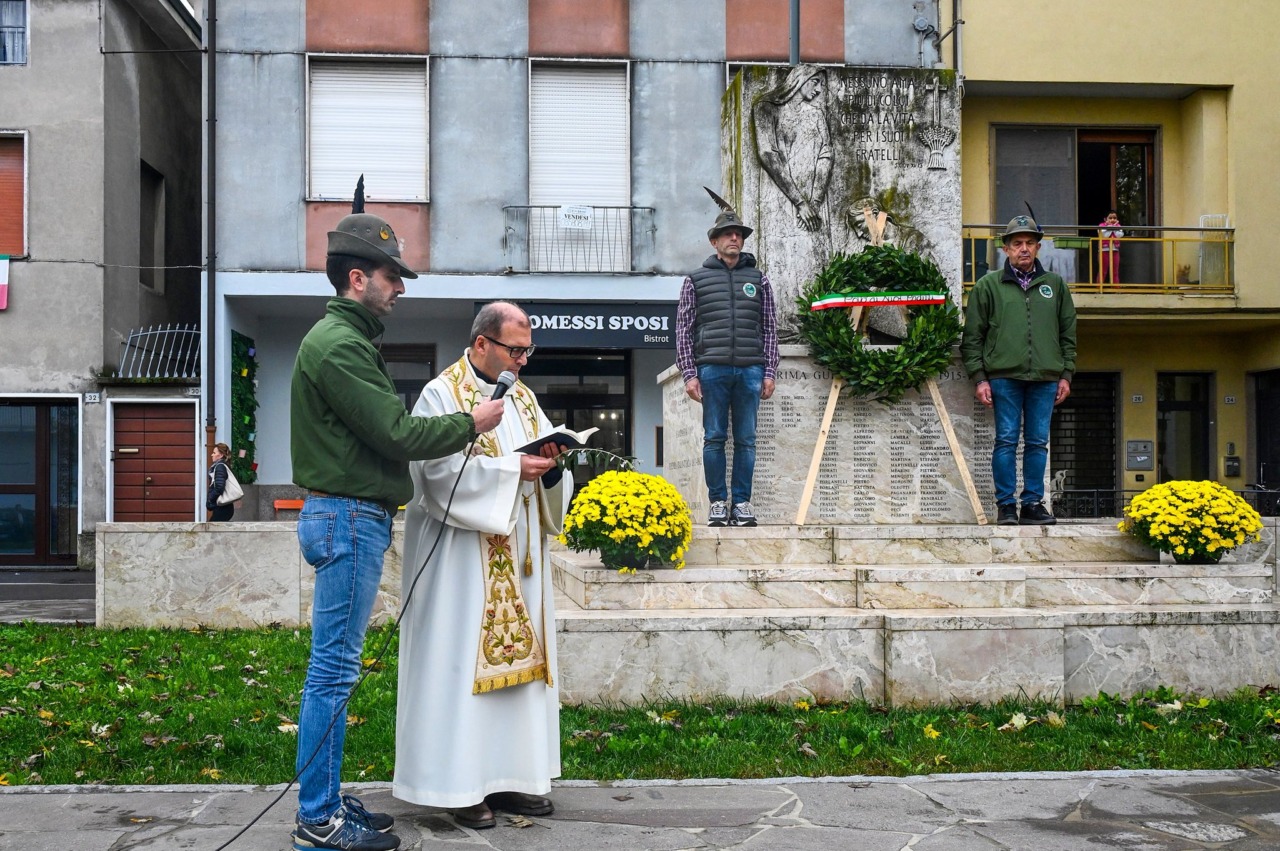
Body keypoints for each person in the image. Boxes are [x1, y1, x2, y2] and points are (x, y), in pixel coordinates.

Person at [289, 191, 505, 851]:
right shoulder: (339, 346)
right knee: (333, 670)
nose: (401, 288)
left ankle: (324, 802)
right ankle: (318, 818)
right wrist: (471, 421)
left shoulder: (346, 339)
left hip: (350, 515)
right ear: (358, 278)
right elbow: (395, 431)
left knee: (337, 667)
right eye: (392, 276)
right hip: (349, 517)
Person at [393, 300, 571, 830]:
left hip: (517, 556)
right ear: (481, 344)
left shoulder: (523, 396)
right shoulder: (440, 394)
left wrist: (550, 466)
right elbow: (435, 477)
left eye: (527, 350)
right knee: (458, 664)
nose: (522, 361)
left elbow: (533, 460)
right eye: (515, 350)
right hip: (460, 562)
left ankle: (513, 778)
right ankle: (458, 785)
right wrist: (510, 469)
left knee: (521, 672)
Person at [961, 214, 1077, 527]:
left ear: (1038, 247)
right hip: (1003, 377)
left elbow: (1068, 334)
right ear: (1006, 249)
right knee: (1007, 440)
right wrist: (979, 377)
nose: (1023, 249)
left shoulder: (1055, 286)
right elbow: (972, 337)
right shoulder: (988, 286)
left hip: (1045, 378)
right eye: (1017, 244)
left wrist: (1066, 374)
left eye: (1029, 243)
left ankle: (1032, 505)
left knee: (1038, 442)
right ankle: (1006, 506)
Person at [676, 193, 779, 527]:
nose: (735, 238)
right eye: (728, 234)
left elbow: (770, 327)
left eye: (740, 235)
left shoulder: (758, 279)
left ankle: (742, 504)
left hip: (751, 368)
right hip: (712, 368)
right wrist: (689, 373)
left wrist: (769, 371)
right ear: (714, 241)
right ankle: (719, 502)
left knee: (747, 439)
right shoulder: (696, 280)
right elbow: (683, 329)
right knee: (715, 437)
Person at [205, 443, 236, 521]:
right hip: (224, 505)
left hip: (223, 506)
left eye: (214, 453)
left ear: (221, 455)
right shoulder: (221, 466)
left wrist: (211, 499)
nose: (212, 455)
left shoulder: (220, 467)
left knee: (212, 528)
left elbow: (219, 487)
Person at [1097, 210, 1123, 284]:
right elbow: (1105, 235)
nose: (1112, 220)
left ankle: (1116, 289)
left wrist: (1113, 227)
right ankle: (1099, 288)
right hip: (1104, 250)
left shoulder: (1118, 226)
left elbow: (1119, 235)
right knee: (1103, 270)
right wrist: (1111, 227)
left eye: (1114, 218)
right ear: (1105, 219)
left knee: (1115, 271)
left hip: (1115, 250)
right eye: (1110, 218)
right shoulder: (1101, 226)